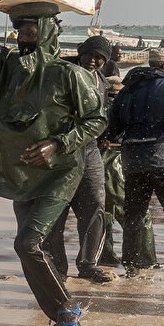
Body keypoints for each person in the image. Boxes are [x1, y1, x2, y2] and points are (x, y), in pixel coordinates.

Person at [0, 3, 107, 326]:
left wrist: (58, 143)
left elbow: (97, 120)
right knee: (27, 248)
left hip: (60, 173)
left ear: (48, 33)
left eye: (31, 31)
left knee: (27, 242)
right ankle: (60, 316)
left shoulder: (70, 74)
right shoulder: (7, 68)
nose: (24, 38)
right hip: (21, 173)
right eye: (21, 31)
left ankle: (68, 312)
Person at [107, 47, 164, 275]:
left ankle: (131, 268)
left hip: (132, 162)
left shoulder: (127, 90)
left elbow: (113, 125)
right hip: (163, 160)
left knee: (134, 215)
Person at [43, 36, 117, 283]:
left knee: (95, 204)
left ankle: (88, 264)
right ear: (80, 52)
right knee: (57, 208)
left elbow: (100, 116)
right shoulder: (62, 72)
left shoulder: (102, 82)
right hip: (60, 149)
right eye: (91, 55)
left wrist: (105, 136)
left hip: (90, 150)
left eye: (100, 58)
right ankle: (57, 265)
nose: (94, 61)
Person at [98, 76, 157, 268]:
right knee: (139, 215)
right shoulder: (127, 107)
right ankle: (145, 260)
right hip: (117, 164)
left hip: (97, 164)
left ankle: (104, 257)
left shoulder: (95, 106)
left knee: (104, 214)